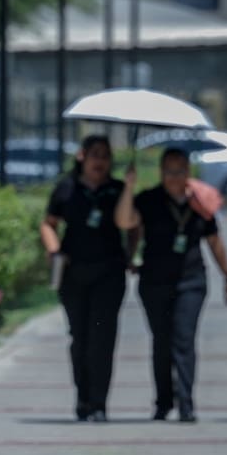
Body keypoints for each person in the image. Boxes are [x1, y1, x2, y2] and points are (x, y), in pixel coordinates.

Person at [115, 148, 227, 422]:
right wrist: (129, 186)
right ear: (161, 172)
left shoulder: (200, 202)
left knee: (183, 340)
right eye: (169, 171)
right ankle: (163, 401)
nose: (174, 177)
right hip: (154, 282)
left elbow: (214, 241)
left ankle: (186, 402)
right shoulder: (148, 200)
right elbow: (124, 221)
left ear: (188, 172)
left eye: (180, 170)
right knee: (161, 342)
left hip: (191, 282)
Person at [39, 135, 133, 422]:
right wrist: (55, 250)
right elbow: (49, 223)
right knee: (80, 338)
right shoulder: (66, 189)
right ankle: (83, 398)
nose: (100, 161)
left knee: (102, 339)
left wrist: (129, 187)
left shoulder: (117, 190)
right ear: (82, 156)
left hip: (109, 273)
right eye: (95, 154)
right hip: (74, 274)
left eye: (105, 156)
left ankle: (99, 404)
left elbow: (130, 224)